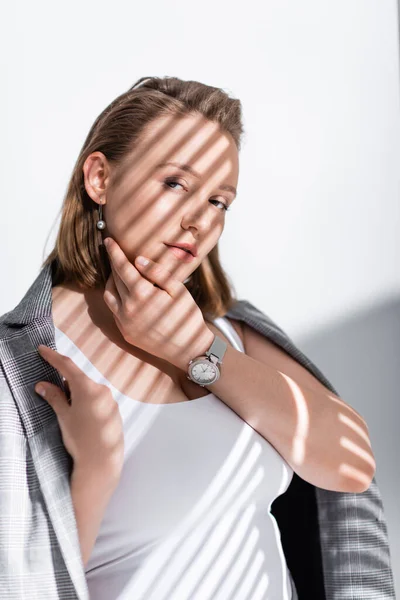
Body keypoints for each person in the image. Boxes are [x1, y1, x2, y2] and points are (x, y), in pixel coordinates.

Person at [0, 76, 395, 600]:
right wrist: (95, 470)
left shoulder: (235, 329)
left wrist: (194, 351)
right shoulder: (17, 363)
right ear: (99, 178)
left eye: (219, 201)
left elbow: (350, 466)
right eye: (175, 183)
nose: (198, 221)